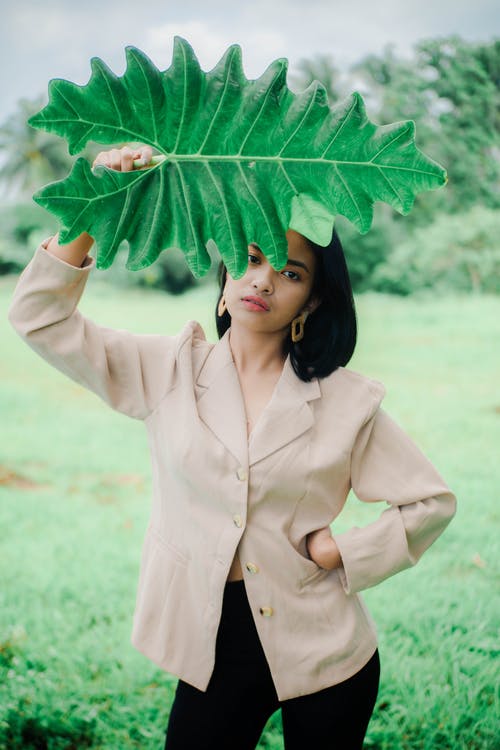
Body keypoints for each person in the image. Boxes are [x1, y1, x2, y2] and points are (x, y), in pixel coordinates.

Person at [8, 145, 457, 750]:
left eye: (292, 273)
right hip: (211, 643)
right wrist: (97, 199)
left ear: (313, 300)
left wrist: (339, 551)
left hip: (327, 651)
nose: (264, 279)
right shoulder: (166, 369)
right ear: (225, 273)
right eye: (251, 257)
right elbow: (41, 318)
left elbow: (431, 502)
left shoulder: (347, 403)